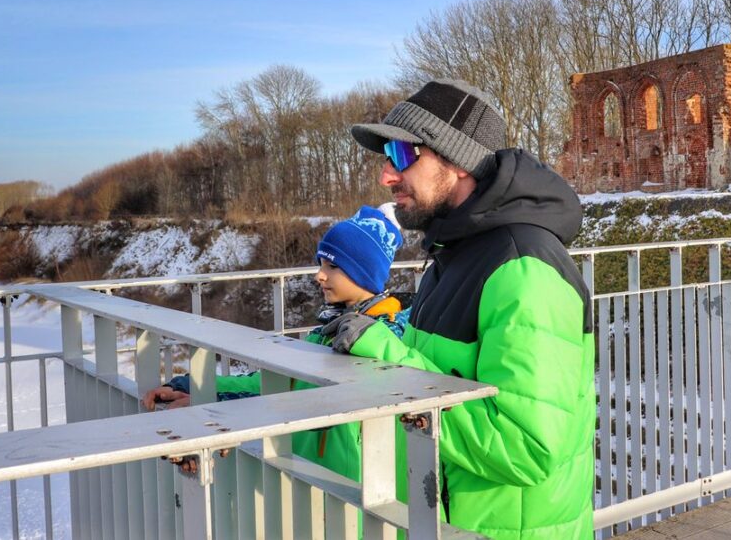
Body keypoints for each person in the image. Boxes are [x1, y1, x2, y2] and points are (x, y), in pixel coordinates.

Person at [321, 78, 595, 539]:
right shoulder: (454, 255)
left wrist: (387, 356)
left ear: (459, 161)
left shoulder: (523, 269)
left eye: (403, 155)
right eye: (387, 158)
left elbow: (527, 448)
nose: (388, 176)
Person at [142, 205, 409, 481]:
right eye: (321, 264)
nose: (319, 275)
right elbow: (274, 382)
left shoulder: (382, 339)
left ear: (363, 272)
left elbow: (296, 397)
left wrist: (214, 404)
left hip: (357, 499)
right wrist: (196, 387)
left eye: (333, 266)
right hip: (313, 483)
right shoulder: (328, 331)